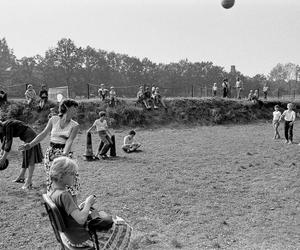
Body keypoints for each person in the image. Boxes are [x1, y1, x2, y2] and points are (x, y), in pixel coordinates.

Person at [48, 156, 132, 249]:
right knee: (122, 226)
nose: (75, 176)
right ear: (61, 176)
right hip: (82, 239)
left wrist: (82, 207)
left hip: (71, 236)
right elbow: (81, 220)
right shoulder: (64, 195)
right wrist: (88, 203)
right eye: (72, 173)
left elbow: (70, 214)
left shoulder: (52, 193)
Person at [19, 99, 80, 195]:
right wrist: (30, 144)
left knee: (69, 178)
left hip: (65, 152)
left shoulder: (75, 125)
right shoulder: (53, 119)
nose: (76, 110)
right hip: (51, 152)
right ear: (66, 107)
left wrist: (64, 155)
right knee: (52, 178)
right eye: (74, 107)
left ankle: (71, 204)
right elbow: (43, 134)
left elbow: (69, 140)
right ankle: (54, 202)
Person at [0, 119, 43, 189]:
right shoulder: (4, 127)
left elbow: (9, 142)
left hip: (30, 137)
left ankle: (29, 181)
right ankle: (21, 176)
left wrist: (3, 158)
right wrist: (1, 154)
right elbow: (5, 141)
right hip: (26, 138)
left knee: (30, 159)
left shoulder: (8, 125)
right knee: (26, 157)